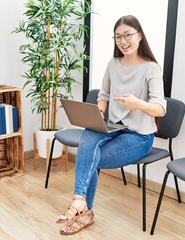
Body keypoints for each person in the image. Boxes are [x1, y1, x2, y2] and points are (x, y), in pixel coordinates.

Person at [57, 15, 167, 235]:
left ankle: (83, 211)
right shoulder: (113, 64)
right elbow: (104, 95)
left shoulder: (151, 68)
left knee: (89, 158)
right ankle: (80, 200)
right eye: (118, 36)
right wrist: (98, 111)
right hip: (113, 126)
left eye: (128, 35)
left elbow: (160, 109)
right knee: (89, 132)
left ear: (140, 36)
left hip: (138, 136)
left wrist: (137, 104)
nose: (123, 41)